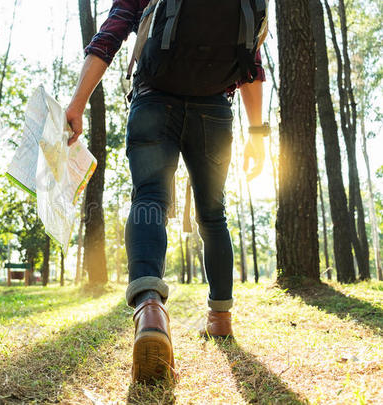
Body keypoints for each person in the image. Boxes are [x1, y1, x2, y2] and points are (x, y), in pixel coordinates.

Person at [66, 0, 267, 383]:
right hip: (215, 108)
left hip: (154, 98)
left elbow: (112, 32)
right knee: (213, 214)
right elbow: (251, 58)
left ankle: (150, 309)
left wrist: (78, 102)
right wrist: (258, 133)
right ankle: (220, 318)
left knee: (150, 200)